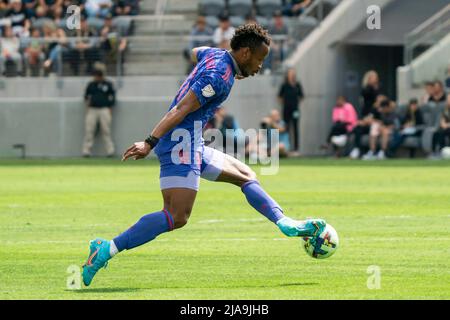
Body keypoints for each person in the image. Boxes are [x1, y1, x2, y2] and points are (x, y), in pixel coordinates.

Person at [80, 24, 327, 286]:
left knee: (245, 175)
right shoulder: (218, 77)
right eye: (259, 59)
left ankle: (285, 222)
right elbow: (181, 109)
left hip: (192, 142)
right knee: (176, 216)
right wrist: (149, 142)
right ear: (244, 53)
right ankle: (105, 249)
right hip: (180, 143)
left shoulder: (216, 56)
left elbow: (195, 52)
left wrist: (215, 66)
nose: (260, 66)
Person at [82, 67, 116, 157]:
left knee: (106, 130)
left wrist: (110, 106)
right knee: (89, 130)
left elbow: (112, 96)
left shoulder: (108, 84)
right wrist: (88, 104)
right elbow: (86, 95)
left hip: (104, 109)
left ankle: (110, 150)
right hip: (93, 109)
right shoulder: (91, 84)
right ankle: (86, 151)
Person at [349, 70, 381, 159]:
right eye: (374, 77)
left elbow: (377, 108)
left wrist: (370, 118)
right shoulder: (366, 90)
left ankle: (373, 152)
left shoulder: (377, 91)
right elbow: (365, 107)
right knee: (357, 128)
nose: (376, 79)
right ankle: (357, 149)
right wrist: (364, 119)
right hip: (366, 117)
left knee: (370, 128)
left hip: (375, 120)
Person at [278, 68, 304, 152]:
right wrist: (286, 102)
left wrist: (295, 102)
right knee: (286, 128)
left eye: (293, 73)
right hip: (286, 109)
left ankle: (296, 149)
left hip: (295, 110)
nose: (291, 75)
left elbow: (301, 96)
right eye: (290, 73)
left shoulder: (297, 84)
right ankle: (287, 147)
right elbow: (279, 96)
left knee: (295, 128)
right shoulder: (284, 85)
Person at [430, 93, 450, 158]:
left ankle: (443, 151)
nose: (448, 100)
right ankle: (434, 152)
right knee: (436, 132)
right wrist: (443, 124)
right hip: (445, 127)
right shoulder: (445, 109)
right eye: (448, 99)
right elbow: (442, 119)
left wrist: (447, 125)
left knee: (445, 131)